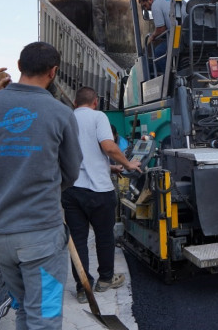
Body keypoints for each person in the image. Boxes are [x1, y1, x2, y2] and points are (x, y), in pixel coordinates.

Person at [0, 43, 83, 330]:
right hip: (42, 235)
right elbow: (71, 172)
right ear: (53, 72)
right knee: (47, 317)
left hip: (0, 235)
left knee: (25, 310)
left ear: (18, 66)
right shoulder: (61, 113)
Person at [64, 86, 141, 304]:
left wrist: (110, 168)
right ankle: (105, 279)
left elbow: (81, 155)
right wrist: (126, 164)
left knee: (78, 239)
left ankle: (82, 287)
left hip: (71, 191)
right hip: (99, 191)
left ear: (75, 103)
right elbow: (108, 146)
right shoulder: (98, 117)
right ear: (95, 101)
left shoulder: (66, 118)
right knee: (104, 236)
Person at [138, 0, 173, 75]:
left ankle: (168, 78)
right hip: (189, 31)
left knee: (158, 52)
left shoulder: (155, 6)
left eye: (145, 5)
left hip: (178, 36)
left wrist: (152, 36)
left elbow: (161, 28)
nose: (146, 9)